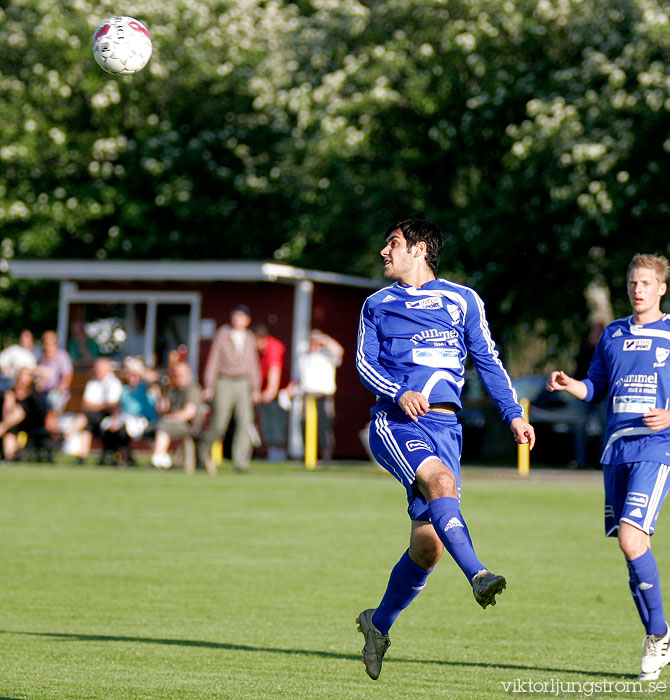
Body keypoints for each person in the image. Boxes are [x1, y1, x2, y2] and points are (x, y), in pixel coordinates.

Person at [355, 219, 535, 680]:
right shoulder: (376, 305)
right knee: (440, 481)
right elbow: (362, 363)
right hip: (397, 421)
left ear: (418, 250)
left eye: (392, 243)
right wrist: (397, 392)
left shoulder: (462, 300)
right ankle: (478, 574)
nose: (383, 251)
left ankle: (377, 625)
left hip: (446, 427)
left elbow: (488, 359)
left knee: (428, 547)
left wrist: (513, 412)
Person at [546, 253, 670, 681]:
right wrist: (570, 385)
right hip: (615, 451)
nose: (638, 289)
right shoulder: (614, 333)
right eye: (633, 283)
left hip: (657, 448)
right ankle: (659, 636)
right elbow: (596, 386)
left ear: (661, 289)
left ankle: (658, 637)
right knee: (632, 549)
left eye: (646, 283)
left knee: (632, 541)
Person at [199, 305, 261, 473]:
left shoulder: (249, 337)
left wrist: (256, 387)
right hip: (225, 380)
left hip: (243, 382)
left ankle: (241, 461)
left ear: (247, 320)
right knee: (219, 422)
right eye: (235, 316)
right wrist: (209, 385)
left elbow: (253, 364)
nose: (237, 320)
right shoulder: (223, 334)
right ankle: (203, 453)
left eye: (241, 317)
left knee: (245, 422)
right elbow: (214, 360)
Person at [296, 329, 344, 463]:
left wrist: (325, 339)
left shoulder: (328, 355)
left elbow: (339, 351)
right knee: (305, 424)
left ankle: (326, 457)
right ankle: (309, 456)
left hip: (324, 396)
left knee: (325, 425)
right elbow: (299, 378)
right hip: (308, 394)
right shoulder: (304, 357)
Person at [100, 357, 159, 466]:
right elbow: (119, 408)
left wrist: (139, 370)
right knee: (107, 426)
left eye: (133, 375)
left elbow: (153, 379)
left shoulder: (145, 388)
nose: (131, 378)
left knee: (124, 429)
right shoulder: (125, 390)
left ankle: (125, 457)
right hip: (126, 417)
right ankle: (112, 455)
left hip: (143, 419)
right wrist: (115, 419)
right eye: (129, 375)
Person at [151, 360, 206, 473]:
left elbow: (189, 413)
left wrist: (170, 418)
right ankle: (159, 458)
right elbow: (163, 408)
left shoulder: (192, 389)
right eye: (175, 375)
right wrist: (159, 394)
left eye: (181, 375)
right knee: (160, 425)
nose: (178, 378)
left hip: (189, 426)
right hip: (171, 423)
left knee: (163, 426)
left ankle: (158, 458)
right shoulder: (173, 389)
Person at [65, 357, 123, 464]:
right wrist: (100, 405)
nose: (97, 371)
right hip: (93, 415)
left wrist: (97, 406)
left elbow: (112, 405)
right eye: (96, 368)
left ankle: (69, 432)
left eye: (100, 369)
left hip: (109, 416)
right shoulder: (92, 382)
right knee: (87, 424)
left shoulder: (114, 383)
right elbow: (85, 403)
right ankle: (82, 456)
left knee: (86, 417)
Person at [253, 324, 289, 461]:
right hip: (266, 393)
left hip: (278, 395)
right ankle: (272, 454)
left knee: (276, 425)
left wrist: (269, 392)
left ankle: (278, 457)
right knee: (267, 425)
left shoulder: (273, 347)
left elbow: (275, 370)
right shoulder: (261, 351)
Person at [0, 366, 47, 461]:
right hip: (13, 425)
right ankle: (10, 457)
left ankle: (2, 427)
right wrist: (10, 401)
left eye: (28, 375)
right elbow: (6, 413)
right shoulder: (11, 393)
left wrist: (36, 372)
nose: (24, 378)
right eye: (23, 374)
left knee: (19, 413)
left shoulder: (34, 391)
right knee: (11, 429)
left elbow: (47, 375)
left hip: (31, 423)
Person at [34, 330, 73, 435]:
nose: (48, 346)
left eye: (51, 342)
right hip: (42, 393)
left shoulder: (61, 356)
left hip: (57, 393)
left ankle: (53, 435)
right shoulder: (41, 358)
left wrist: (59, 388)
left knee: (53, 400)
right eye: (46, 343)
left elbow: (67, 376)